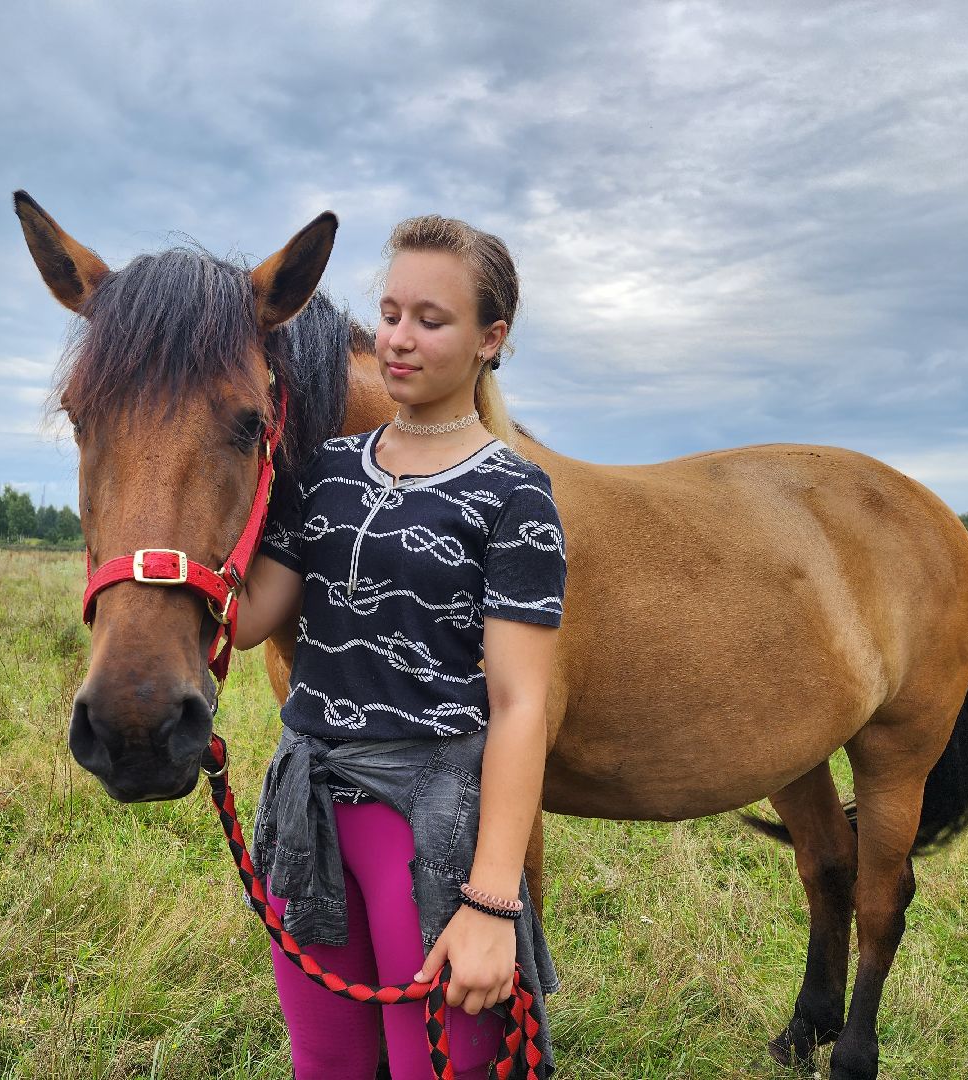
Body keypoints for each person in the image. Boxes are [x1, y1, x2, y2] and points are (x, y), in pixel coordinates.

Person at [233, 214, 566, 1080]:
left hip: (427, 830)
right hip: (306, 813)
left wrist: (491, 902)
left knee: (434, 1070)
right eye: (389, 314)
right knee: (325, 1064)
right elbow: (248, 617)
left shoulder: (515, 495)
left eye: (430, 319)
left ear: (491, 339)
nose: (399, 339)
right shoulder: (325, 471)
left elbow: (520, 705)